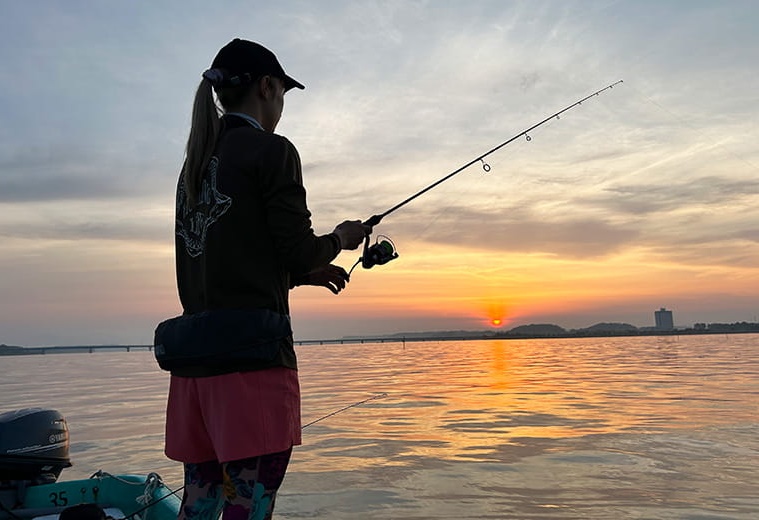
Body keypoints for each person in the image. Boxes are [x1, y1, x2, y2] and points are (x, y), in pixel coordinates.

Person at [163, 38, 370, 520]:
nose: (281, 106)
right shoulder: (272, 151)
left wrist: (304, 275)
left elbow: (228, 261)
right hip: (252, 368)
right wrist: (339, 238)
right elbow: (296, 248)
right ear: (267, 86)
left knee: (199, 503)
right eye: (282, 94)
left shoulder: (194, 163)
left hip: (196, 373)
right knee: (249, 506)